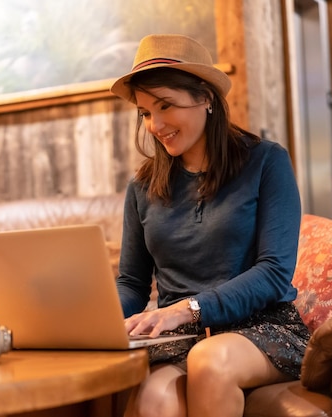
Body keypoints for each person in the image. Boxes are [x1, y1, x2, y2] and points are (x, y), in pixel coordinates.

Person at [109, 34, 310, 417]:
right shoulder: (142, 186)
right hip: (179, 338)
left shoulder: (266, 162)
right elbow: (133, 283)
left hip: (260, 327)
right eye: (146, 112)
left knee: (209, 361)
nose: (155, 125)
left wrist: (189, 308)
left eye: (165, 105)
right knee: (153, 401)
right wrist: (96, 321)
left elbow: (274, 272)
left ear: (205, 98)